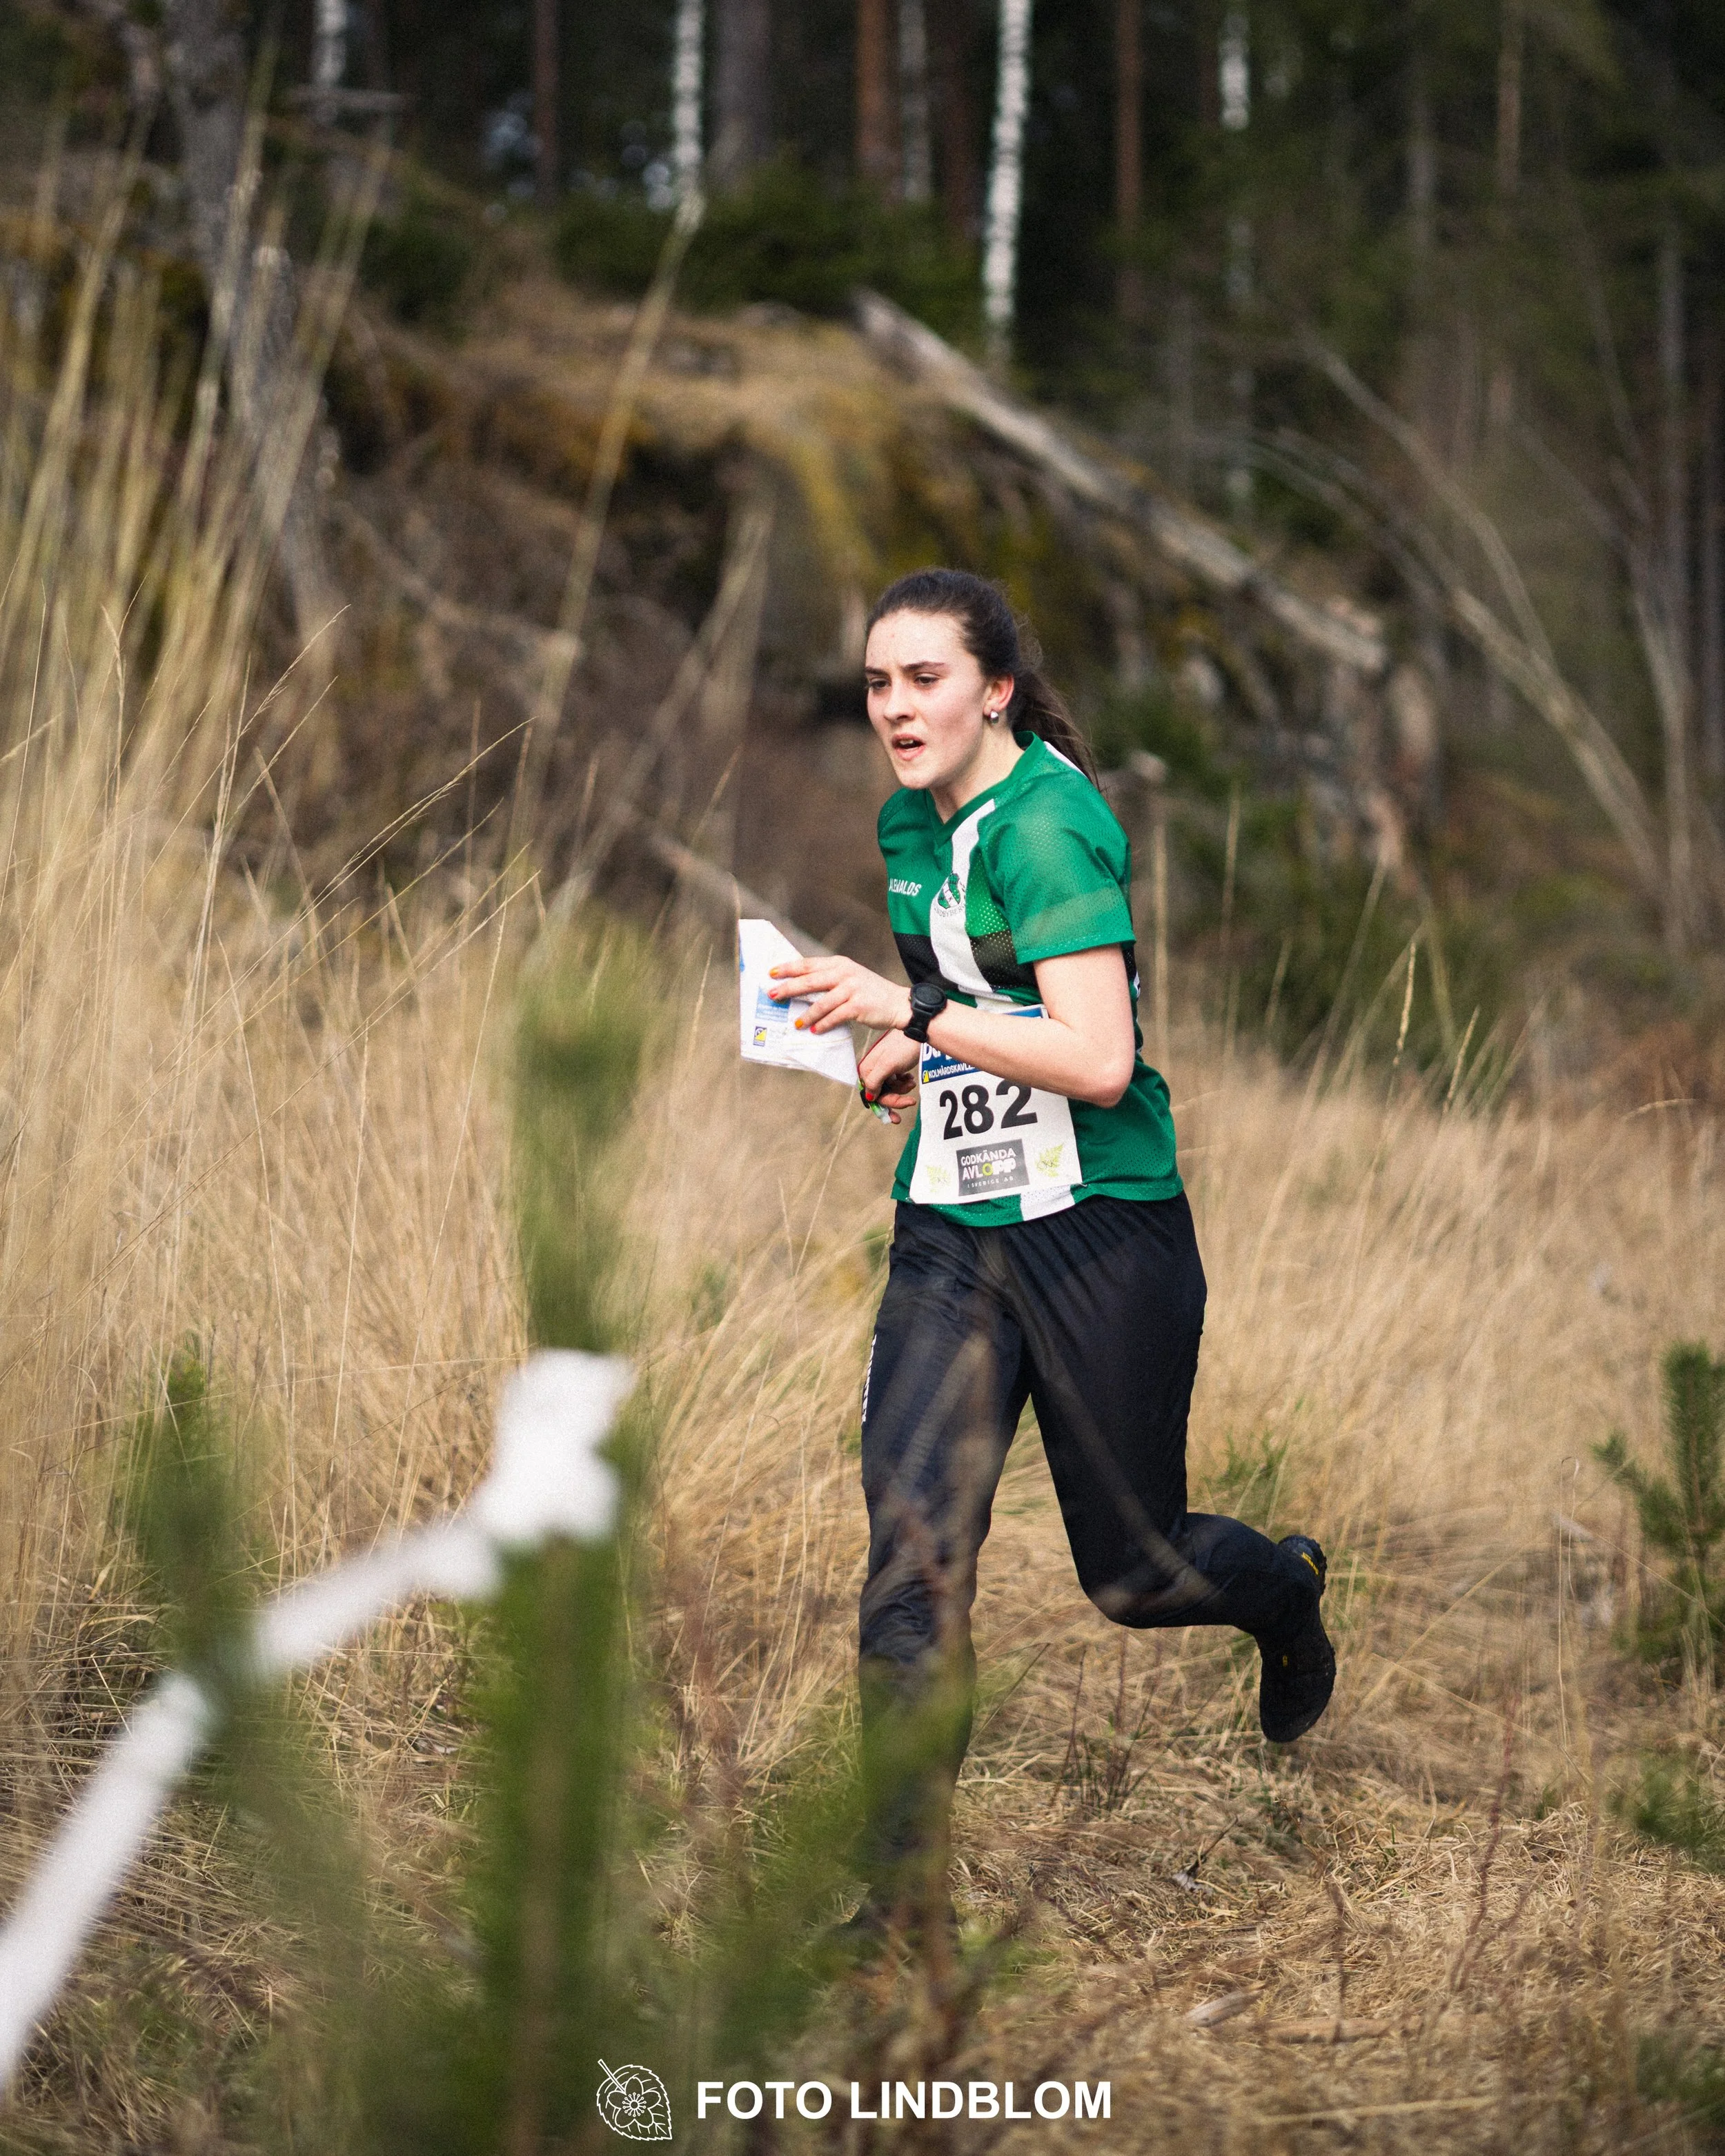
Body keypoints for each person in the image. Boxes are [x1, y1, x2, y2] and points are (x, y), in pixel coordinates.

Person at [767, 568, 1334, 1940]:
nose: (896, 707)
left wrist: (908, 1003)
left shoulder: (1048, 825)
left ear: (995, 689)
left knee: (1132, 1572)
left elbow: (1094, 1055)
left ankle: (1282, 1593)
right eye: (877, 683)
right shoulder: (916, 817)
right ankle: (899, 1912)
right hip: (953, 1232)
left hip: (1100, 1234)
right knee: (910, 1563)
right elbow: (980, 1001)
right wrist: (902, 1049)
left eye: (925, 679)